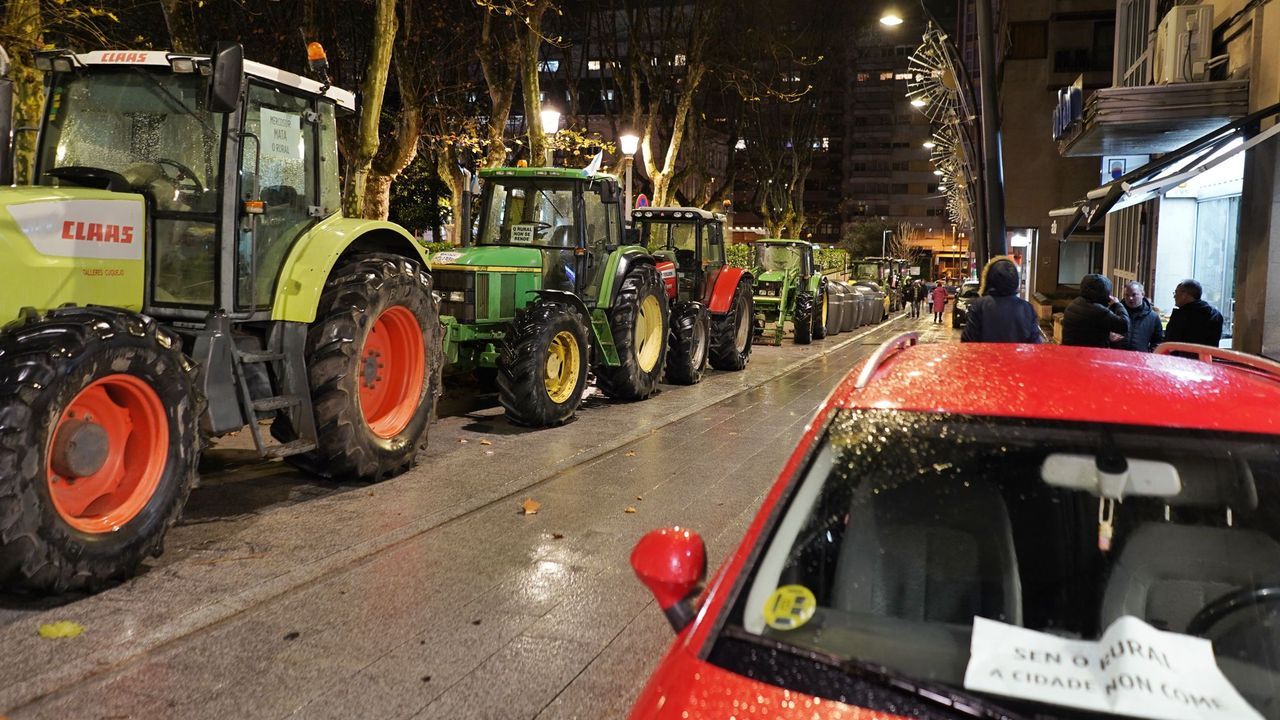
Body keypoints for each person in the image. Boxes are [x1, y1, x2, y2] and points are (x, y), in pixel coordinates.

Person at [960, 256, 1042, 344]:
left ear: (989, 279)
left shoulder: (979, 306)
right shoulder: (1027, 308)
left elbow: (968, 342)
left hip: (987, 357)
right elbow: (1035, 345)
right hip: (1016, 357)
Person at [1061, 274, 1129, 348]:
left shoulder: (1073, 304)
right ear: (1103, 292)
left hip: (1071, 351)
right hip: (1090, 354)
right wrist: (1117, 304)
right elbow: (1124, 324)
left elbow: (1088, 331)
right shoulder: (1098, 311)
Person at [1164, 279, 1224, 347]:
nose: (1174, 296)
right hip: (1206, 356)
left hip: (1182, 357)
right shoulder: (1215, 315)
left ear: (1184, 294)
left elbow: (1170, 343)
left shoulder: (1181, 316)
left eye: (1176, 293)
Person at [1114, 280, 1164, 352]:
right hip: (1116, 356)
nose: (1130, 298)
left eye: (1134, 295)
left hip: (1140, 358)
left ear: (1142, 294)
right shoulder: (1116, 311)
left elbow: (1158, 341)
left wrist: (1150, 355)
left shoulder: (1153, 317)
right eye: (1127, 295)